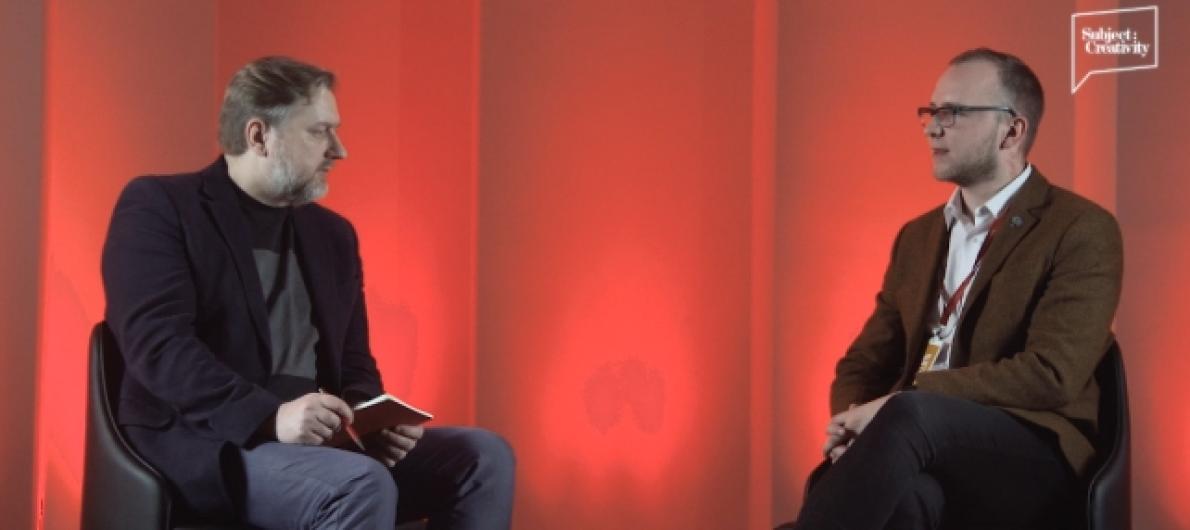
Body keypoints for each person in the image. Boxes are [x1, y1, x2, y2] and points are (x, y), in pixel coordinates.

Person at [102, 56, 515, 529]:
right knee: (359, 483)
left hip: (320, 447)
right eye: (320, 132)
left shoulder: (333, 235)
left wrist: (372, 420)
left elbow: (354, 363)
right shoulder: (161, 206)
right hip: (213, 440)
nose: (339, 150)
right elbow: (158, 346)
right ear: (259, 136)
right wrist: (269, 416)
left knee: (484, 457)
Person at [783, 48, 1123, 529]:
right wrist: (854, 422)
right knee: (908, 499)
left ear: (1011, 131)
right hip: (917, 444)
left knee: (910, 414)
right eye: (931, 111)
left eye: (954, 112)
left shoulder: (1080, 228)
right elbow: (862, 364)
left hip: (1032, 450)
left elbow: (1051, 374)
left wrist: (903, 404)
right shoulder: (918, 237)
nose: (931, 128)